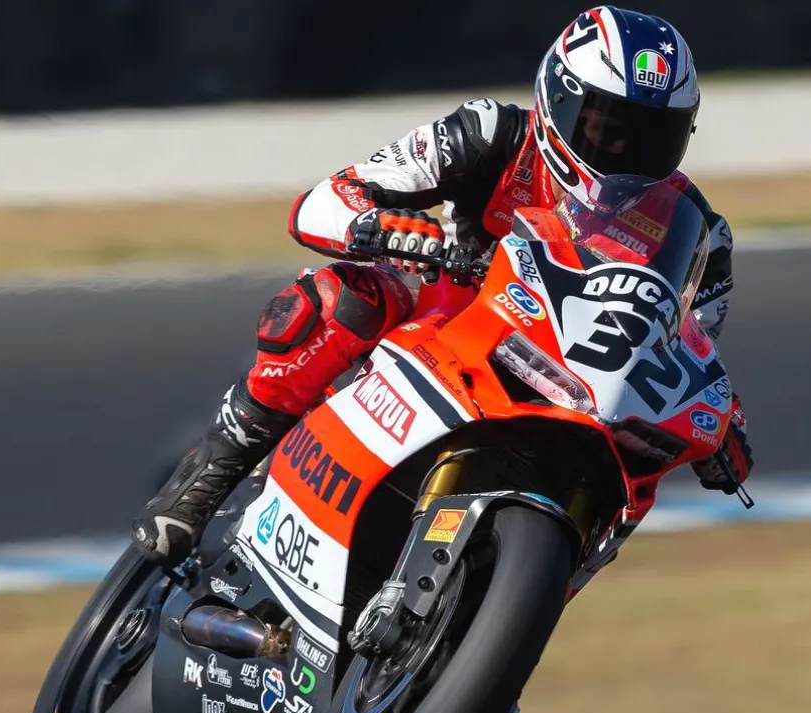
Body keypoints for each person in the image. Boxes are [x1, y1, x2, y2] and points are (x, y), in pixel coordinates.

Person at [132, 5, 754, 568]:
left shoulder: (698, 235)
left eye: (654, 138)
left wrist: (721, 427)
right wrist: (386, 230)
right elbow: (324, 201)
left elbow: (689, 349)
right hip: (453, 332)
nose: (625, 154)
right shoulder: (489, 134)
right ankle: (218, 463)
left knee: (633, 473)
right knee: (344, 300)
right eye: (607, 128)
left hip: (581, 386)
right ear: (558, 102)